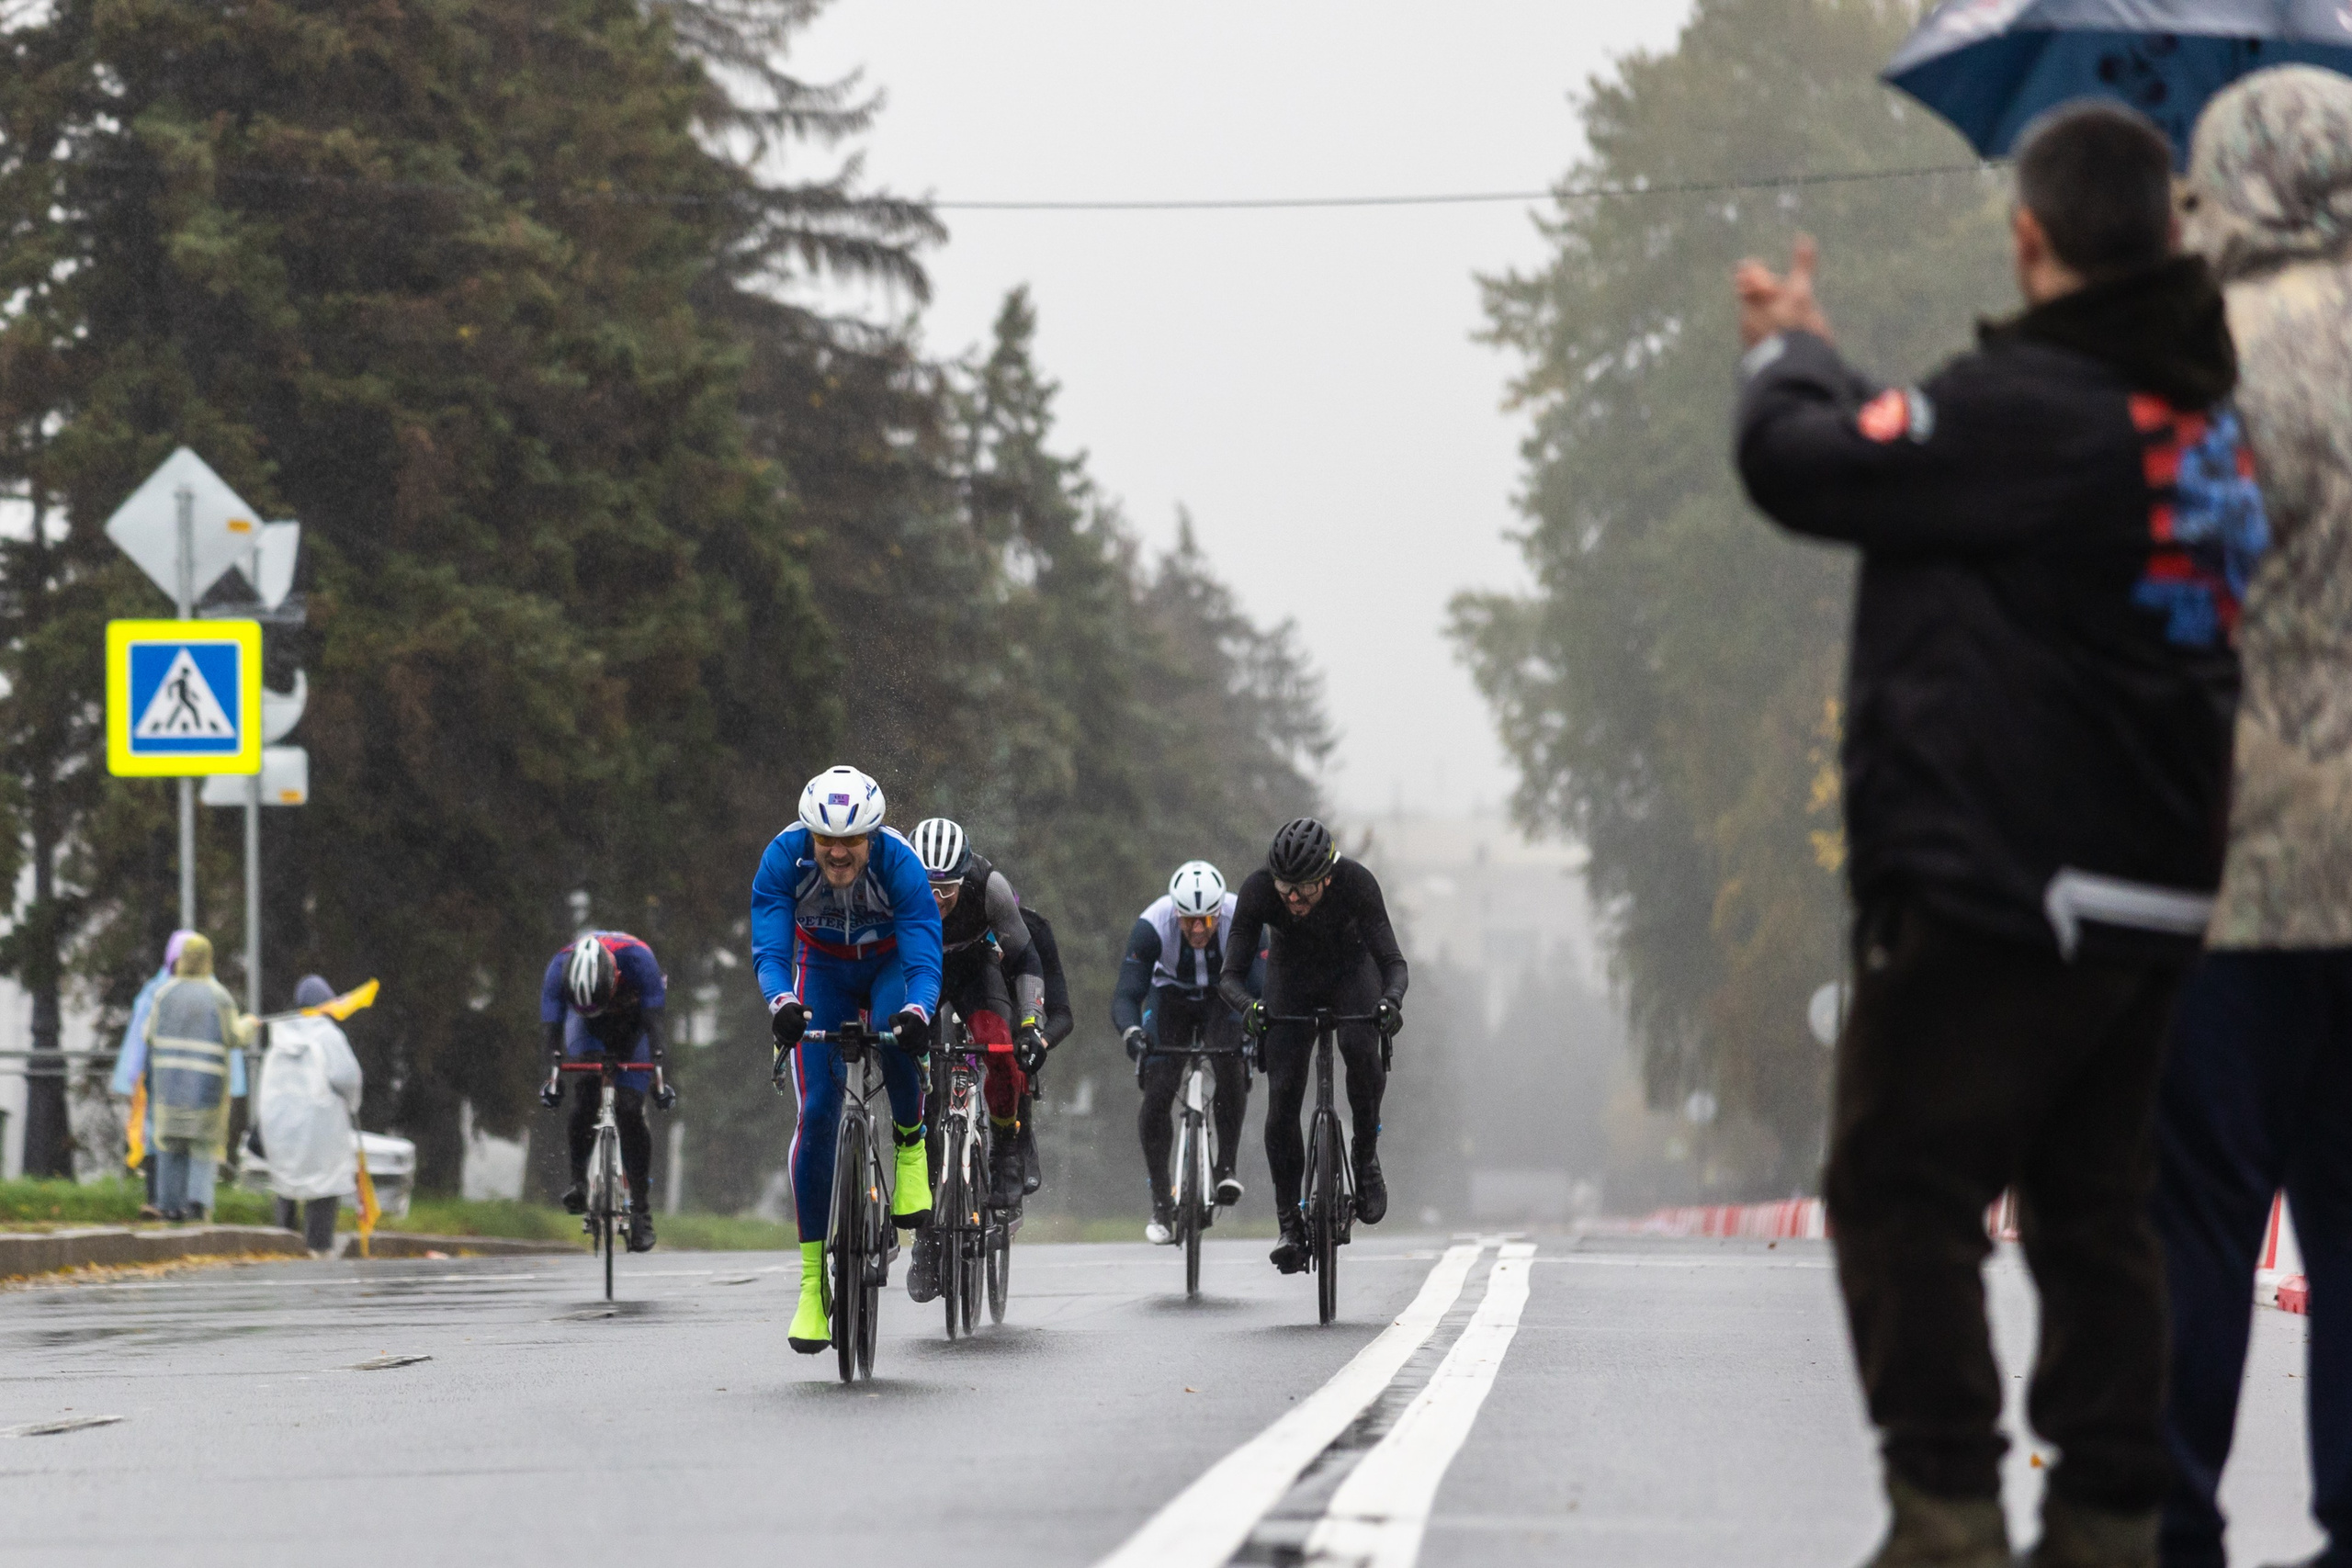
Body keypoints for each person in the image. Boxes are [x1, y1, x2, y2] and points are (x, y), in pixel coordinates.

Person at [1734, 102, 2261, 1568]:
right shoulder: (2199, 426)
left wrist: (1784, 354)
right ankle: (2108, 1518)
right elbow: (1946, 462)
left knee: (1903, 1184)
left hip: (2004, 884)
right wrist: (1844, 372)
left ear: (2030, 239)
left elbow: (1808, 463)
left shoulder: (2037, 406)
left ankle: (1949, 1515)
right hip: (2155, 894)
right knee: (2099, 1211)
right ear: (2168, 237)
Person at [2155, 66, 2352, 1568]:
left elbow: (2146, 599)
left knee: (2201, 1215)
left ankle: (2176, 1517)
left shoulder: (2192, 354)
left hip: (2226, 870)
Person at [752, 764, 943, 1355]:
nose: (837, 852)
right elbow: (770, 949)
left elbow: (923, 958)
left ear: (873, 835)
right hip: (823, 969)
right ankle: (813, 1287)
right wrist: (782, 1004)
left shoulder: (901, 864)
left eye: (851, 839)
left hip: (888, 964)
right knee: (817, 1116)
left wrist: (918, 1012)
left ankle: (909, 1145)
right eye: (826, 839)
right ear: (809, 834)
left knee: (895, 1027)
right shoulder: (783, 859)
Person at [1219, 819, 1407, 1275]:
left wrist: (1390, 1002)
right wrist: (1249, 1008)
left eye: (1304, 888)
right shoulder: (1259, 890)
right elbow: (1230, 976)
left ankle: (1365, 1154)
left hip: (1351, 974)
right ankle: (1289, 1224)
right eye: (1285, 888)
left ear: (1327, 876)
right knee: (1283, 1096)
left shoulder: (1356, 883)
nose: (1293, 899)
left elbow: (1394, 964)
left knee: (1360, 1049)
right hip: (1291, 980)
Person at [1116, 859, 1257, 1244]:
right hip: (1171, 999)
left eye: (1206, 921)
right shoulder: (1152, 924)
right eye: (1189, 920)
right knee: (1158, 1089)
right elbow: (1127, 992)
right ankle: (1162, 1203)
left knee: (1231, 1062)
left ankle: (1225, 1168)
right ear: (1175, 912)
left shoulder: (1241, 918)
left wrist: (1255, 1028)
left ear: (1219, 913)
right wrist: (1132, 1032)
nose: (1197, 929)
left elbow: (1261, 984)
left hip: (1223, 997)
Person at [536, 931, 675, 1254]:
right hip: (585, 1026)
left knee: (629, 1108)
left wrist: (658, 1078)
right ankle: (579, 1182)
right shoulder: (558, 969)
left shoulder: (639, 960)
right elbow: (551, 1033)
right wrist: (552, 1077)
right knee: (586, 1092)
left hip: (635, 1025)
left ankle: (641, 1210)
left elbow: (655, 1028)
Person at [141, 934, 255, 1223]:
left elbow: (148, 1035)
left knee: (170, 1146)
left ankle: (169, 1205)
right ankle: (196, 1204)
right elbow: (234, 1036)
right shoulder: (219, 997)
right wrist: (249, 1025)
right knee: (203, 1147)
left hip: (169, 1088)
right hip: (206, 1090)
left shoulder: (164, 994)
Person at [257, 975, 363, 1255]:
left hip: (282, 1124)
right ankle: (318, 1245)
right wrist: (352, 1105)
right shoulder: (328, 1035)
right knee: (323, 1183)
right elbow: (348, 1077)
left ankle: (284, 1240)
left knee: (287, 1180)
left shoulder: (279, 1035)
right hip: (321, 1124)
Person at [112, 930, 195, 1218]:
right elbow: (139, 1037)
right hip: (165, 1078)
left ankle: (172, 1202)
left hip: (174, 1077)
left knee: (169, 1137)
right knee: (157, 1135)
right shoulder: (158, 991)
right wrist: (134, 1077)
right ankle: (163, 1201)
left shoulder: (158, 990)